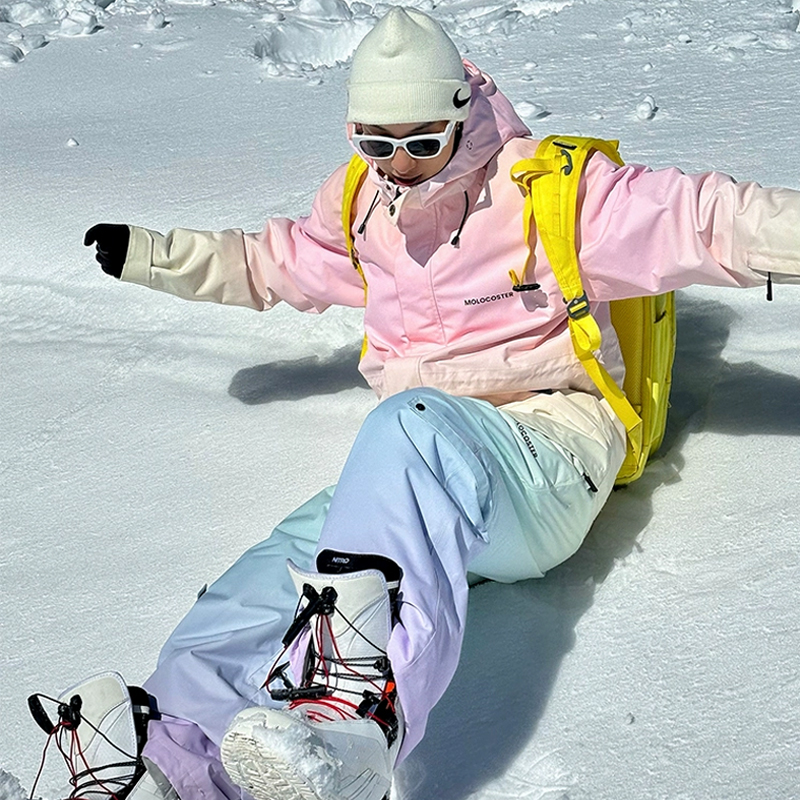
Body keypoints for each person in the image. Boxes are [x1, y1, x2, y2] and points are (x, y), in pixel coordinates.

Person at [35, 6, 800, 800]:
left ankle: (355, 725)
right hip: (423, 471)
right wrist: (159, 257)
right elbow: (278, 262)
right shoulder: (365, 207)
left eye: (422, 143)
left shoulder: (555, 197)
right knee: (274, 570)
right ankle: (173, 757)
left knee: (405, 427)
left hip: (547, 461)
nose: (399, 166)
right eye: (376, 144)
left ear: (463, 116)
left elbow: (714, 224)